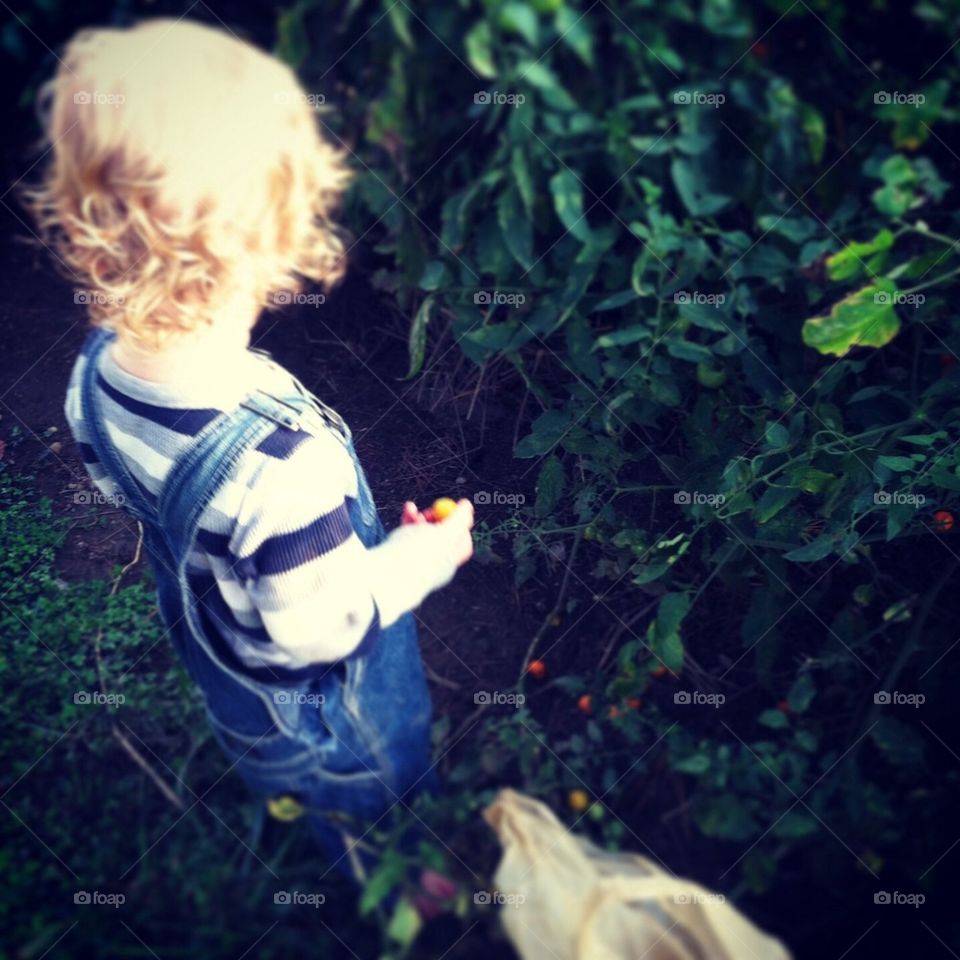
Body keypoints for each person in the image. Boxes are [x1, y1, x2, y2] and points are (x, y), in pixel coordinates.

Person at [26, 18, 474, 877]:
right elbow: (323, 631)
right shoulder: (278, 464)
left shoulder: (97, 373)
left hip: (233, 671)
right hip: (325, 707)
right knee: (372, 795)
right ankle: (408, 893)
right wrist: (418, 556)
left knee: (305, 784)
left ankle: (314, 825)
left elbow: (126, 485)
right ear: (266, 247)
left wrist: (313, 556)